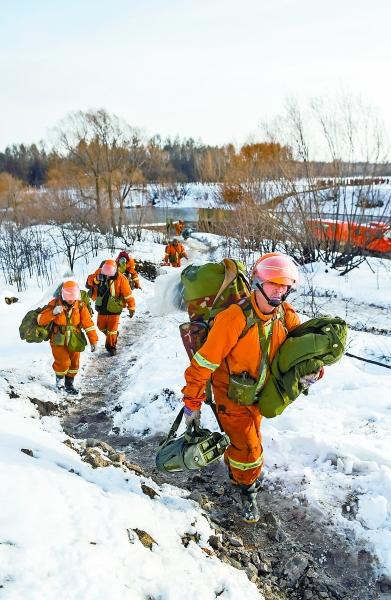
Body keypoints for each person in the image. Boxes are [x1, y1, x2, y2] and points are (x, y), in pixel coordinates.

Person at [181, 253, 323, 523]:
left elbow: (303, 347)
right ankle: (247, 490)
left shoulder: (284, 314)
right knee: (250, 449)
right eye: (274, 284)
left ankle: (238, 472)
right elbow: (203, 363)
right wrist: (192, 401)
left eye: (285, 285)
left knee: (247, 441)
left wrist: (315, 369)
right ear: (258, 282)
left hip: (258, 394)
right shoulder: (234, 318)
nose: (280, 290)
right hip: (230, 397)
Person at [37, 280, 98, 395]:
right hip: (58, 339)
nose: (71, 299)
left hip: (75, 338)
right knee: (63, 362)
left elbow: (88, 324)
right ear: (63, 295)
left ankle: (69, 384)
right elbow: (40, 320)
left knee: (74, 363)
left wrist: (93, 340)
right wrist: (53, 313)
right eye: (68, 296)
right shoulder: (54, 304)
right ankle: (59, 382)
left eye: (73, 296)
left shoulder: (80, 305)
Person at [86, 259, 135, 356]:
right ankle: (112, 335)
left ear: (115, 270)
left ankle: (111, 347)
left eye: (110, 272)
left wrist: (131, 307)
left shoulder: (122, 279)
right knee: (100, 326)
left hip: (115, 307)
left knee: (112, 329)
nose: (107, 274)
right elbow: (89, 282)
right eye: (106, 271)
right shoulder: (99, 273)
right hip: (102, 306)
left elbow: (128, 295)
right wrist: (96, 279)